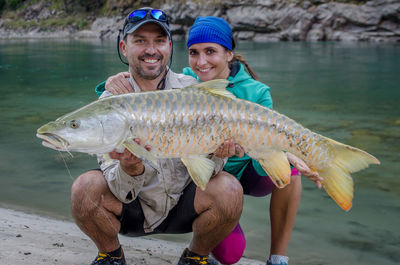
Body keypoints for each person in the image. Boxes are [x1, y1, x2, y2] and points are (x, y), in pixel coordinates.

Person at [71, 8, 244, 265]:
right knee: (84, 189)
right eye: (140, 41)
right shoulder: (109, 103)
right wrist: (130, 168)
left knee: (230, 189)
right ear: (123, 47)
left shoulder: (193, 90)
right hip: (132, 209)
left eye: (159, 41)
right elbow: (116, 186)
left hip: (185, 206)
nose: (151, 50)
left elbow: (207, 168)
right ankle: (111, 253)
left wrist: (218, 153)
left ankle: (195, 257)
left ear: (169, 46)